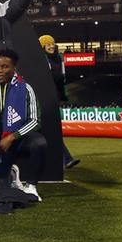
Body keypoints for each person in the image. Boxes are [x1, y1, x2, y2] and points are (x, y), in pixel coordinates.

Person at [0, 49, 47, 200]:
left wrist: (12, 137)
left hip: (16, 140)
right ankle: (9, 173)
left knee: (39, 142)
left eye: (4, 67)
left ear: (14, 68)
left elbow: (35, 121)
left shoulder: (25, 88)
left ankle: (31, 186)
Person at [39, 34, 79, 169]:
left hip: (53, 98)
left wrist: (62, 96)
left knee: (51, 131)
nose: (51, 46)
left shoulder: (59, 59)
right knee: (50, 131)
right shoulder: (40, 59)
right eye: (47, 44)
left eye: (52, 43)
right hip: (43, 98)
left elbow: (61, 79)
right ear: (42, 47)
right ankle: (65, 158)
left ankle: (64, 159)